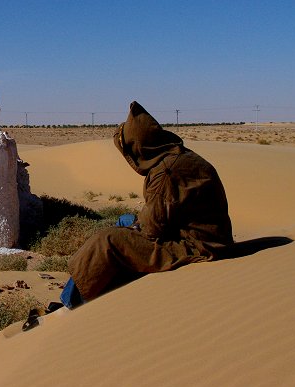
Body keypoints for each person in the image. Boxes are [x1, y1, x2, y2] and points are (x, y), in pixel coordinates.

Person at [60, 101, 234, 309]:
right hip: (206, 237)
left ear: (138, 148)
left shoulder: (167, 173)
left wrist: (133, 230)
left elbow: (151, 229)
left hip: (199, 248)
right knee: (125, 220)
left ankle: (68, 305)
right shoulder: (179, 156)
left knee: (106, 241)